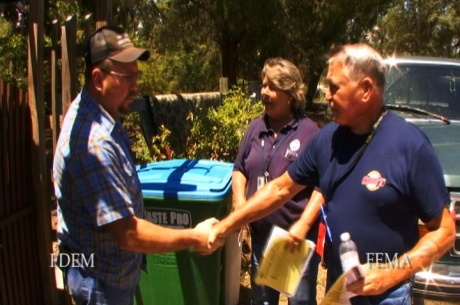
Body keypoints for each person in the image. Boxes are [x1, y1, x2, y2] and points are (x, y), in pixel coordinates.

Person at [209, 43, 456, 305]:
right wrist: (227, 225)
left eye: (334, 87)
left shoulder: (410, 146)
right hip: (340, 288)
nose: (326, 95)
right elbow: (280, 189)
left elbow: (444, 231)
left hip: (388, 295)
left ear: (365, 90)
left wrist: (393, 273)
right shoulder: (327, 139)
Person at [53, 25, 217, 305]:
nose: (136, 84)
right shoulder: (93, 143)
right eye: (126, 76)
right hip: (101, 284)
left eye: (136, 74)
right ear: (97, 78)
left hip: (108, 273)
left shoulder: (97, 110)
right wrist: (194, 237)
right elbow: (129, 234)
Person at [233, 57, 321, 305]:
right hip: (261, 237)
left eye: (272, 87)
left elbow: (321, 187)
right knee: (262, 300)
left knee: (300, 301)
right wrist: (241, 207)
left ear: (290, 94)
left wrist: (304, 224)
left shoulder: (309, 133)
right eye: (263, 86)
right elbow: (239, 169)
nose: (264, 93)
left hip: (294, 241)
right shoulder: (254, 129)